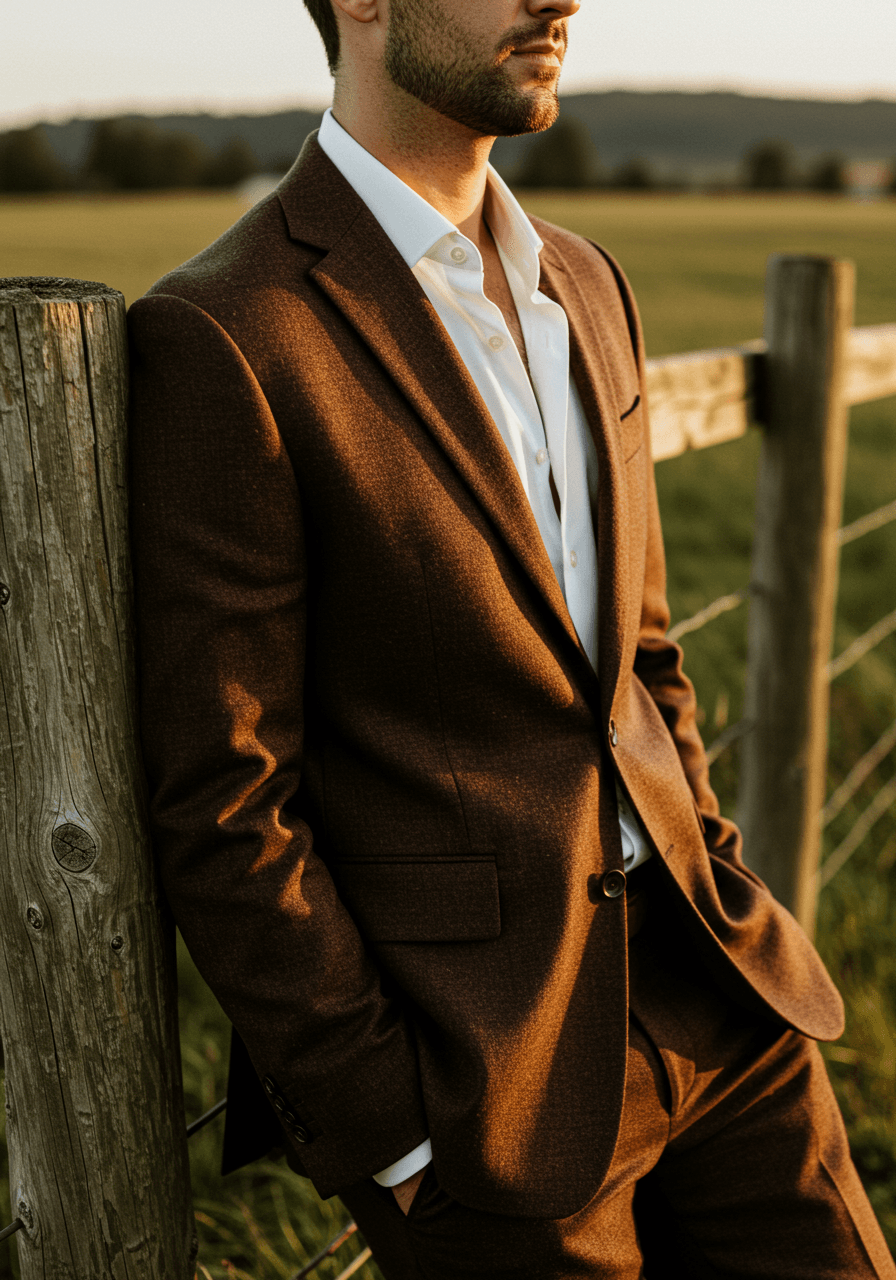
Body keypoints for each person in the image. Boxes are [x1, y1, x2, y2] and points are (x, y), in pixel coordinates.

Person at [127, 0, 895, 1275]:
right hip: (493, 1093)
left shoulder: (585, 282)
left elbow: (643, 657)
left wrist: (712, 862)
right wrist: (393, 1135)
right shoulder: (229, 331)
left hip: (719, 994)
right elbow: (224, 792)